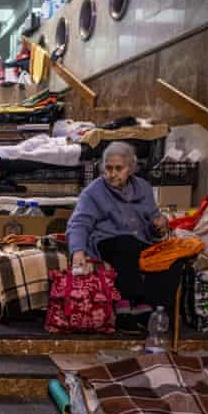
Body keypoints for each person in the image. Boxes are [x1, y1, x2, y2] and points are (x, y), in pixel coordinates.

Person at [66, 141, 176, 332]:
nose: (112, 173)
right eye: (108, 168)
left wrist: (159, 225)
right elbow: (78, 224)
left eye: (119, 168)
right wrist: (77, 251)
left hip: (140, 242)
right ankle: (127, 305)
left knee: (169, 257)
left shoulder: (143, 188)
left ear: (131, 169)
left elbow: (153, 221)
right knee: (126, 244)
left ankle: (158, 310)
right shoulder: (93, 192)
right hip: (107, 241)